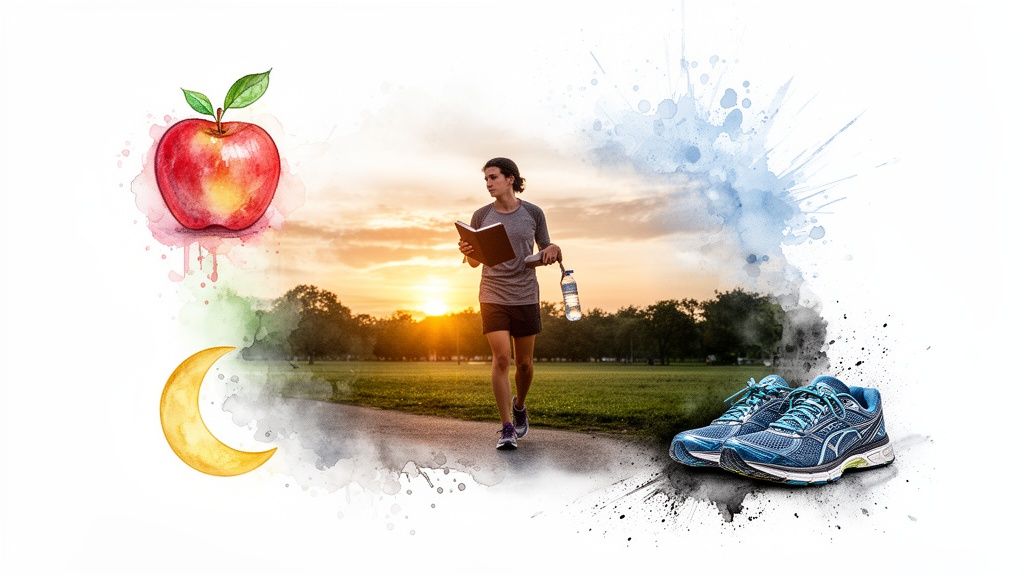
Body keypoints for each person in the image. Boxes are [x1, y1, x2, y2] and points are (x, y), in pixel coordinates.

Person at [459, 157, 561, 450]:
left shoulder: (533, 213)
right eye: (486, 179)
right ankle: (506, 428)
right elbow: (473, 263)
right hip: (493, 293)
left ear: (510, 179)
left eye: (493, 177)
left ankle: (519, 406)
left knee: (525, 364)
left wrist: (553, 249)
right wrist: (468, 251)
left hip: (525, 294)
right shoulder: (481, 215)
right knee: (502, 358)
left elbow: (545, 248)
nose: (488, 183)